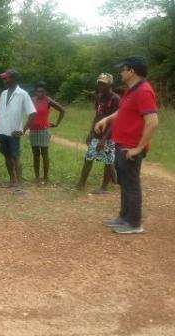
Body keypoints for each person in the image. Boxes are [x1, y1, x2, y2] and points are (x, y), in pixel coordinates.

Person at [95, 56, 159, 234]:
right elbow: (122, 111)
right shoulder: (131, 90)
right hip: (121, 143)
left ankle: (134, 223)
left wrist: (139, 148)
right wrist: (107, 119)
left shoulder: (144, 92)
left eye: (122, 69)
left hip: (131, 147)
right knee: (124, 182)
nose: (120, 72)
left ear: (131, 71)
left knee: (131, 183)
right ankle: (124, 217)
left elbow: (153, 122)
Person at [75, 73, 120, 193]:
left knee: (108, 161)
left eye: (104, 84)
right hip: (97, 133)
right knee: (88, 158)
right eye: (99, 83)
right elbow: (97, 115)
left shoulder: (115, 99)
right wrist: (91, 132)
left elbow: (114, 121)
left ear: (110, 84)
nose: (101, 86)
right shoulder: (99, 97)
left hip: (109, 136)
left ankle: (104, 188)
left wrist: (104, 139)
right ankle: (81, 184)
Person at [0, 69, 37, 193]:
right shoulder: (3, 94)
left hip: (14, 132)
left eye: (6, 78)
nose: (4, 81)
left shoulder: (23, 94)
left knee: (15, 156)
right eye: (4, 78)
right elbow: (0, 113)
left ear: (13, 79)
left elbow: (32, 113)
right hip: (3, 131)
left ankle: (20, 185)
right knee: (7, 156)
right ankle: (12, 180)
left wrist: (23, 130)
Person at [29, 81, 66, 184]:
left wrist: (57, 124)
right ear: (35, 92)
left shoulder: (48, 100)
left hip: (44, 131)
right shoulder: (32, 100)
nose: (40, 93)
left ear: (45, 92)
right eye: (38, 91)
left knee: (44, 154)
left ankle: (45, 177)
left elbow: (62, 110)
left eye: (42, 91)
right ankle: (37, 177)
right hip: (33, 131)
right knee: (35, 154)